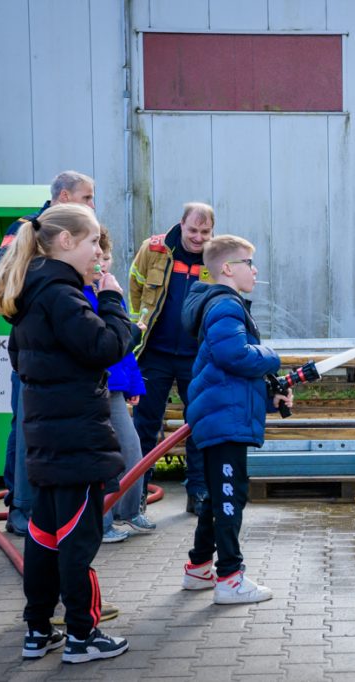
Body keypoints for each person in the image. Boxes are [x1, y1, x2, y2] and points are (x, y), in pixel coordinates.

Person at [0, 203, 130, 663]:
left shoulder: (30, 293)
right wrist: (112, 303)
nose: (97, 257)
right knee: (78, 541)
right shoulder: (62, 295)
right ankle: (83, 635)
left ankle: (38, 630)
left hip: (45, 438)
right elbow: (104, 346)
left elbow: (24, 360)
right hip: (76, 440)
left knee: (44, 537)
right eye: (92, 245)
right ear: (66, 241)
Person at [179, 235, 292, 604]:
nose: (256, 271)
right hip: (222, 424)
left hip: (222, 416)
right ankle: (230, 578)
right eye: (249, 263)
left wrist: (269, 398)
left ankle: (199, 569)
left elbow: (229, 376)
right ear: (227, 268)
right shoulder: (226, 305)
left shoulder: (222, 305)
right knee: (230, 498)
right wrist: (272, 355)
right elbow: (234, 356)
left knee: (217, 497)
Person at [0, 171, 96, 537]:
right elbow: (3, 284)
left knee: (31, 428)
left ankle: (29, 507)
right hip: (37, 351)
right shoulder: (27, 229)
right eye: (87, 198)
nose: (92, 205)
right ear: (65, 196)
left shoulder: (68, 239)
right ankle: (22, 508)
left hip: (52, 350)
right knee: (27, 429)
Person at [128, 203, 213, 515]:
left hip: (197, 357)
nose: (198, 237)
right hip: (155, 354)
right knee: (145, 425)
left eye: (205, 232)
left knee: (199, 425)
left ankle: (199, 492)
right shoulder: (154, 250)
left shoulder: (216, 257)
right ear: (181, 224)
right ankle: (136, 493)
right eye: (193, 230)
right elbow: (135, 286)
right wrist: (139, 327)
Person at [83, 226, 155, 544]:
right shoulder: (85, 293)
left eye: (109, 257)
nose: (104, 264)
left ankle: (129, 511)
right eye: (99, 257)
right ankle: (104, 519)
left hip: (115, 388)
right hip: (95, 387)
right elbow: (104, 343)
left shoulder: (111, 292)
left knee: (131, 448)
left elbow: (124, 350)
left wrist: (134, 386)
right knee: (105, 455)